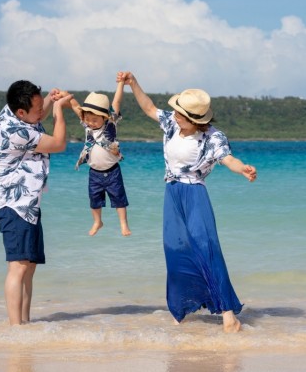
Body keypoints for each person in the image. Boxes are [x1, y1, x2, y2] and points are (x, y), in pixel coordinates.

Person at [118, 71, 257, 333]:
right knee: (176, 250)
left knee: (206, 249)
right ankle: (182, 309)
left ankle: (229, 315)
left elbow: (227, 159)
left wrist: (243, 169)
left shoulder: (213, 137)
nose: (175, 115)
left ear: (195, 119)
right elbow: (148, 107)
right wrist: (133, 83)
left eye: (180, 113)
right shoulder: (173, 124)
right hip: (172, 193)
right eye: (176, 112)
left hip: (194, 194)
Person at [0, 80, 72, 325]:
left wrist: (49, 99)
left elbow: (37, 113)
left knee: (29, 266)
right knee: (18, 267)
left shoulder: (11, 111)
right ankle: (16, 328)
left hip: (28, 206)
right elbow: (58, 144)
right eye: (36, 108)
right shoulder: (16, 131)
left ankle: (25, 323)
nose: (41, 111)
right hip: (13, 205)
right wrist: (58, 110)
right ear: (21, 113)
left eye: (40, 104)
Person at [59, 80, 131, 237]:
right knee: (94, 200)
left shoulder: (111, 123)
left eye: (94, 120)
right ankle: (98, 221)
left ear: (105, 117)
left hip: (112, 172)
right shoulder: (86, 125)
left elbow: (116, 101)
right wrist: (66, 95)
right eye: (87, 119)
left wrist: (120, 84)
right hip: (94, 173)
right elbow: (76, 107)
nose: (90, 123)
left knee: (119, 198)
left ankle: (123, 223)